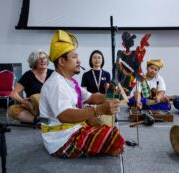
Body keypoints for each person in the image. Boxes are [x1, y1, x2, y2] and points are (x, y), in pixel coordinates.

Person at [39, 30, 125, 158]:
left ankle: (104, 145)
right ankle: (105, 145)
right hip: (60, 140)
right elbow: (64, 115)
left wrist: (112, 95)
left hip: (71, 129)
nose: (79, 61)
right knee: (111, 133)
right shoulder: (56, 83)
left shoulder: (70, 82)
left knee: (98, 123)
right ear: (62, 61)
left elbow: (91, 97)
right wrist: (100, 109)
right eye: (74, 57)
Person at [8, 50, 53, 123]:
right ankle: (38, 120)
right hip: (34, 108)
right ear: (34, 62)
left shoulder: (53, 74)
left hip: (50, 107)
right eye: (39, 59)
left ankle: (47, 120)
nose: (42, 60)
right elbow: (13, 93)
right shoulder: (28, 75)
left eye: (44, 58)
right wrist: (24, 102)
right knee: (12, 110)